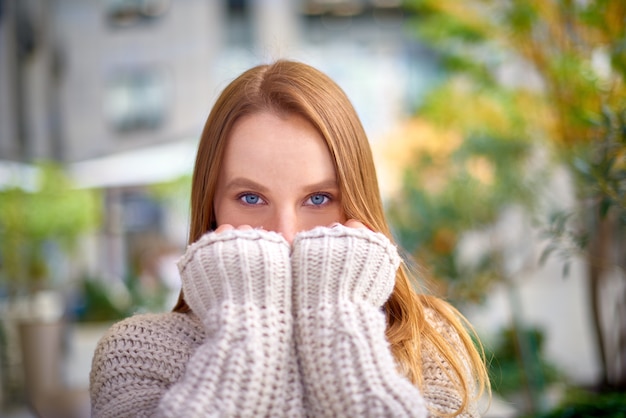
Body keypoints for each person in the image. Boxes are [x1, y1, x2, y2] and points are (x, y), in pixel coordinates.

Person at [90, 60, 490, 417]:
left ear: (357, 202)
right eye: (250, 198)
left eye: (318, 198)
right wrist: (249, 330)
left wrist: (337, 319)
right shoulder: (136, 353)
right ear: (211, 207)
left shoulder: (427, 341)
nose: (285, 234)